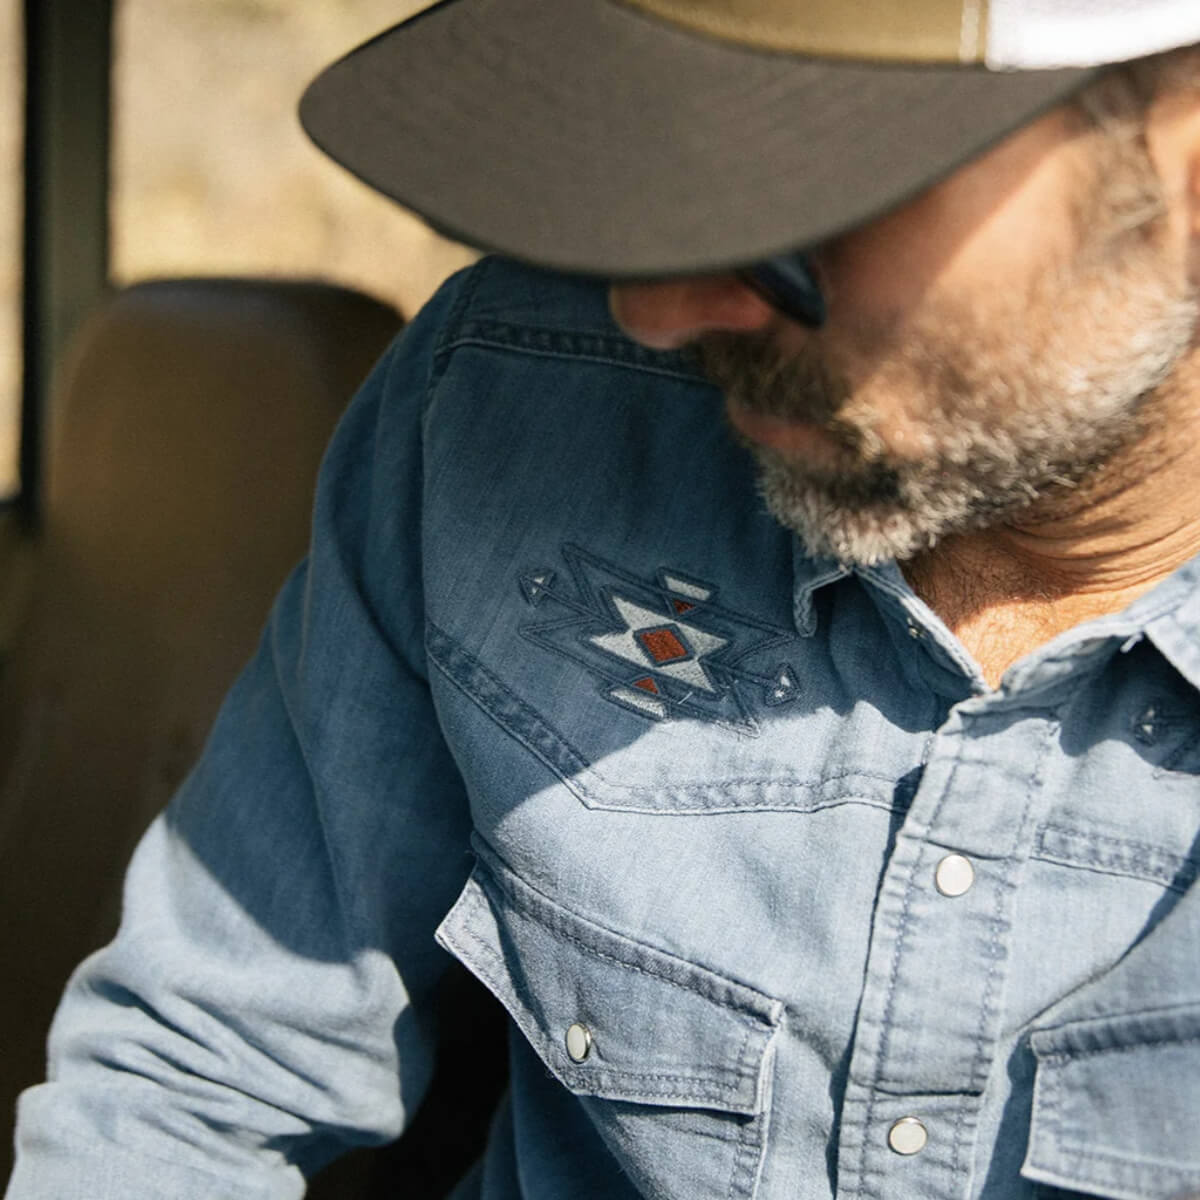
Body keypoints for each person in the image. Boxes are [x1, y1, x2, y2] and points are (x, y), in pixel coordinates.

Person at [8, 1, 1200, 1197]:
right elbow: (195, 1075)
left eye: (800, 216)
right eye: (666, 180)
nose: (657, 309)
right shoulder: (508, 399)